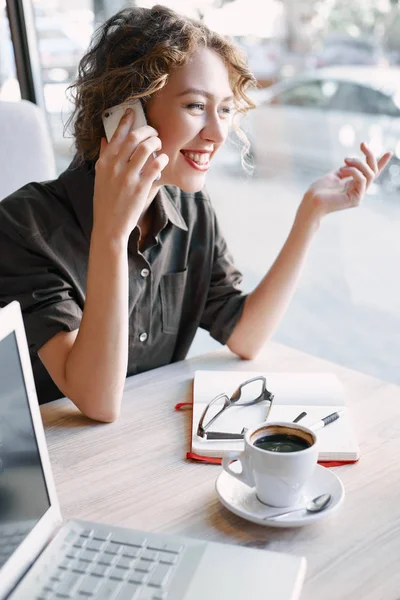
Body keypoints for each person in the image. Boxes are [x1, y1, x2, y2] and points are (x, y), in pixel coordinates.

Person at [0, 5, 392, 422]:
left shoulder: (189, 209)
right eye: (194, 106)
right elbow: (97, 402)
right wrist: (113, 236)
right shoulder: (23, 227)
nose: (219, 132)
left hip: (147, 446)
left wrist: (310, 214)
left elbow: (245, 335)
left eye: (224, 109)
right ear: (124, 115)